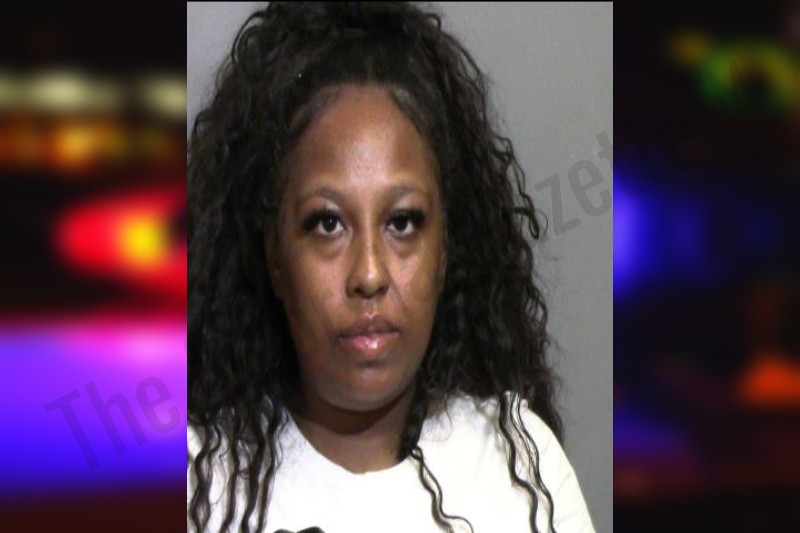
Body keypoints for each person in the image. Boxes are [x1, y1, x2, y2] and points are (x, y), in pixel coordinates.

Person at [187, 3, 595, 532]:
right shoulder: (198, 485)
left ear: (445, 248)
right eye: (327, 224)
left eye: (402, 222)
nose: (370, 274)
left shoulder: (520, 466)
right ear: (275, 256)